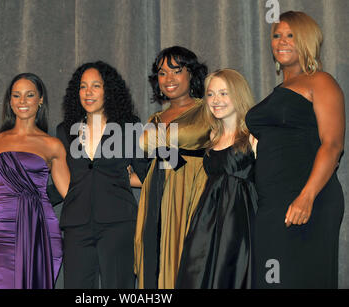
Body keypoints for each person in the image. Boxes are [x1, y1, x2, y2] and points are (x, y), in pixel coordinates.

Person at [245, 11, 345, 288]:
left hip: (307, 198)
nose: (282, 41)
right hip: (271, 202)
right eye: (276, 35)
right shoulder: (279, 90)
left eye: (291, 35)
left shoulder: (321, 82)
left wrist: (306, 197)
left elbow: (333, 145)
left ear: (307, 40)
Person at [54, 61, 148, 289]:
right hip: (76, 225)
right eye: (83, 86)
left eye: (96, 86)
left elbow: (148, 175)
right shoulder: (65, 130)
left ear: (109, 91)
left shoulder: (128, 128)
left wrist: (123, 178)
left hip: (118, 224)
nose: (88, 92)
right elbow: (65, 175)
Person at [0, 73, 69, 289]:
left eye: (29, 95)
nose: (22, 101)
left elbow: (70, 192)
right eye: (16, 96)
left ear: (40, 100)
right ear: (9, 101)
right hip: (3, 233)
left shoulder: (52, 145)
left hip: (42, 231)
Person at [134, 46, 210, 289]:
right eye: (162, 73)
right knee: (154, 264)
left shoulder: (208, 110)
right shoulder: (154, 119)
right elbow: (149, 168)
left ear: (191, 74)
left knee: (187, 265)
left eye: (176, 71)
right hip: (155, 198)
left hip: (192, 196)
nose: (168, 79)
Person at [176, 69, 257, 289]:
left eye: (223, 93)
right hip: (208, 219)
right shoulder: (212, 136)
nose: (216, 100)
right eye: (210, 94)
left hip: (239, 220)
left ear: (238, 95)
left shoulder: (253, 136)